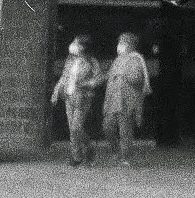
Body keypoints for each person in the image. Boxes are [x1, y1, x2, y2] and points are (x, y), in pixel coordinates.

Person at [102, 31, 154, 165]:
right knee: (107, 127)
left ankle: (125, 158)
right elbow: (109, 80)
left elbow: (137, 79)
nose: (119, 45)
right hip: (113, 101)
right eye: (119, 42)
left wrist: (123, 74)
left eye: (122, 43)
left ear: (130, 45)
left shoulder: (136, 60)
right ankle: (115, 151)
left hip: (127, 101)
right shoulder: (117, 60)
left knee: (125, 131)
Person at [52, 36, 106, 165]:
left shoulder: (91, 61)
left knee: (76, 127)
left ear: (83, 47)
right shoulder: (70, 60)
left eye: (76, 43)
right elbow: (64, 77)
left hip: (83, 98)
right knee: (72, 128)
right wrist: (55, 92)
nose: (73, 45)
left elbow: (99, 78)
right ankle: (76, 156)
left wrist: (89, 84)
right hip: (69, 96)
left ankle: (88, 147)